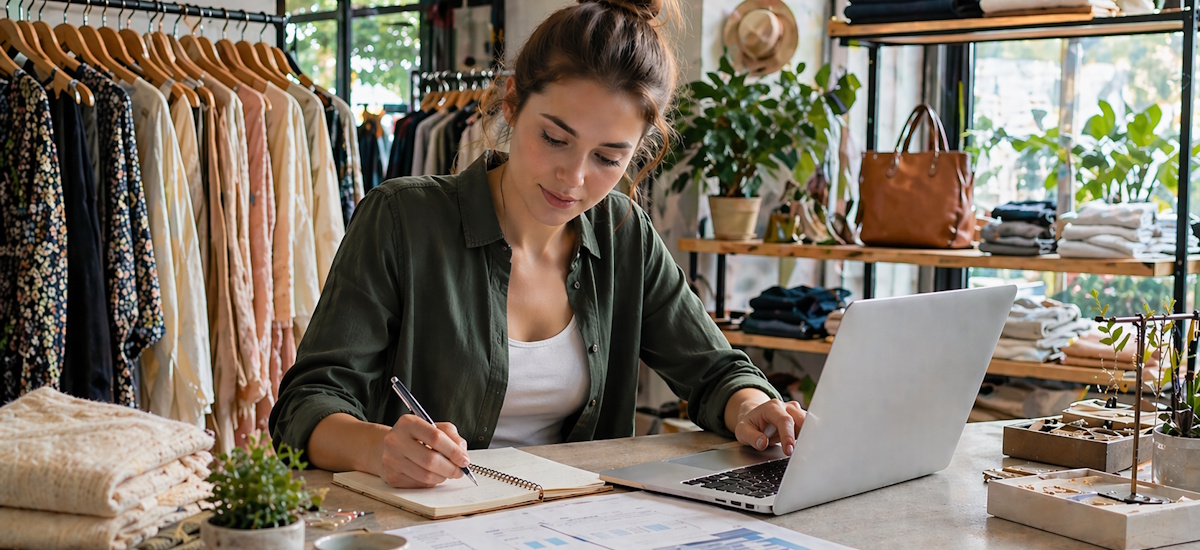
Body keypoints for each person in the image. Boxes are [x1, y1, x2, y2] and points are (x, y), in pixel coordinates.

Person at [269, 0, 807, 489]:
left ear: (638, 153)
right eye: (555, 138)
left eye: (607, 158)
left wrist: (751, 407)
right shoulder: (403, 219)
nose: (572, 178)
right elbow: (305, 404)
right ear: (511, 102)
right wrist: (378, 447)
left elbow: (715, 371)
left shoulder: (624, 233)